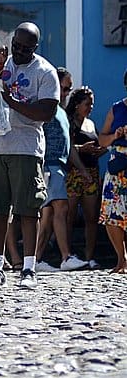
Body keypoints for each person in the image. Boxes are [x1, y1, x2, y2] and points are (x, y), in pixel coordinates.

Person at [0, 22, 59, 291]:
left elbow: (46, 112)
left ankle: (28, 268)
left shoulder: (45, 72)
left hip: (26, 147)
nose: (20, 52)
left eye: (26, 48)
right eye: (16, 46)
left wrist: (12, 102)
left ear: (35, 47)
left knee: (28, 209)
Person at [33, 77, 89, 272]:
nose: (65, 93)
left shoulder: (62, 113)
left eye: (68, 89)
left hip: (59, 165)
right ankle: (66, 256)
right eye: (63, 89)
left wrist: (81, 169)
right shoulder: (45, 109)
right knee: (61, 207)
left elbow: (69, 145)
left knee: (48, 215)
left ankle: (36, 259)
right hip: (49, 164)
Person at [65, 84, 104, 269]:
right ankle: (67, 253)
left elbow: (97, 141)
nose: (90, 107)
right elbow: (67, 148)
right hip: (73, 173)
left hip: (92, 170)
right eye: (87, 104)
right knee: (69, 215)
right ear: (77, 104)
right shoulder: (69, 122)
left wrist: (97, 151)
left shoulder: (91, 123)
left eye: (92, 104)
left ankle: (89, 256)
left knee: (91, 217)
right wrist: (82, 149)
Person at [96, 69, 127, 273]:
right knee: (112, 215)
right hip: (118, 166)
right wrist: (116, 135)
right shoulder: (116, 109)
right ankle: (121, 259)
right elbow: (101, 139)